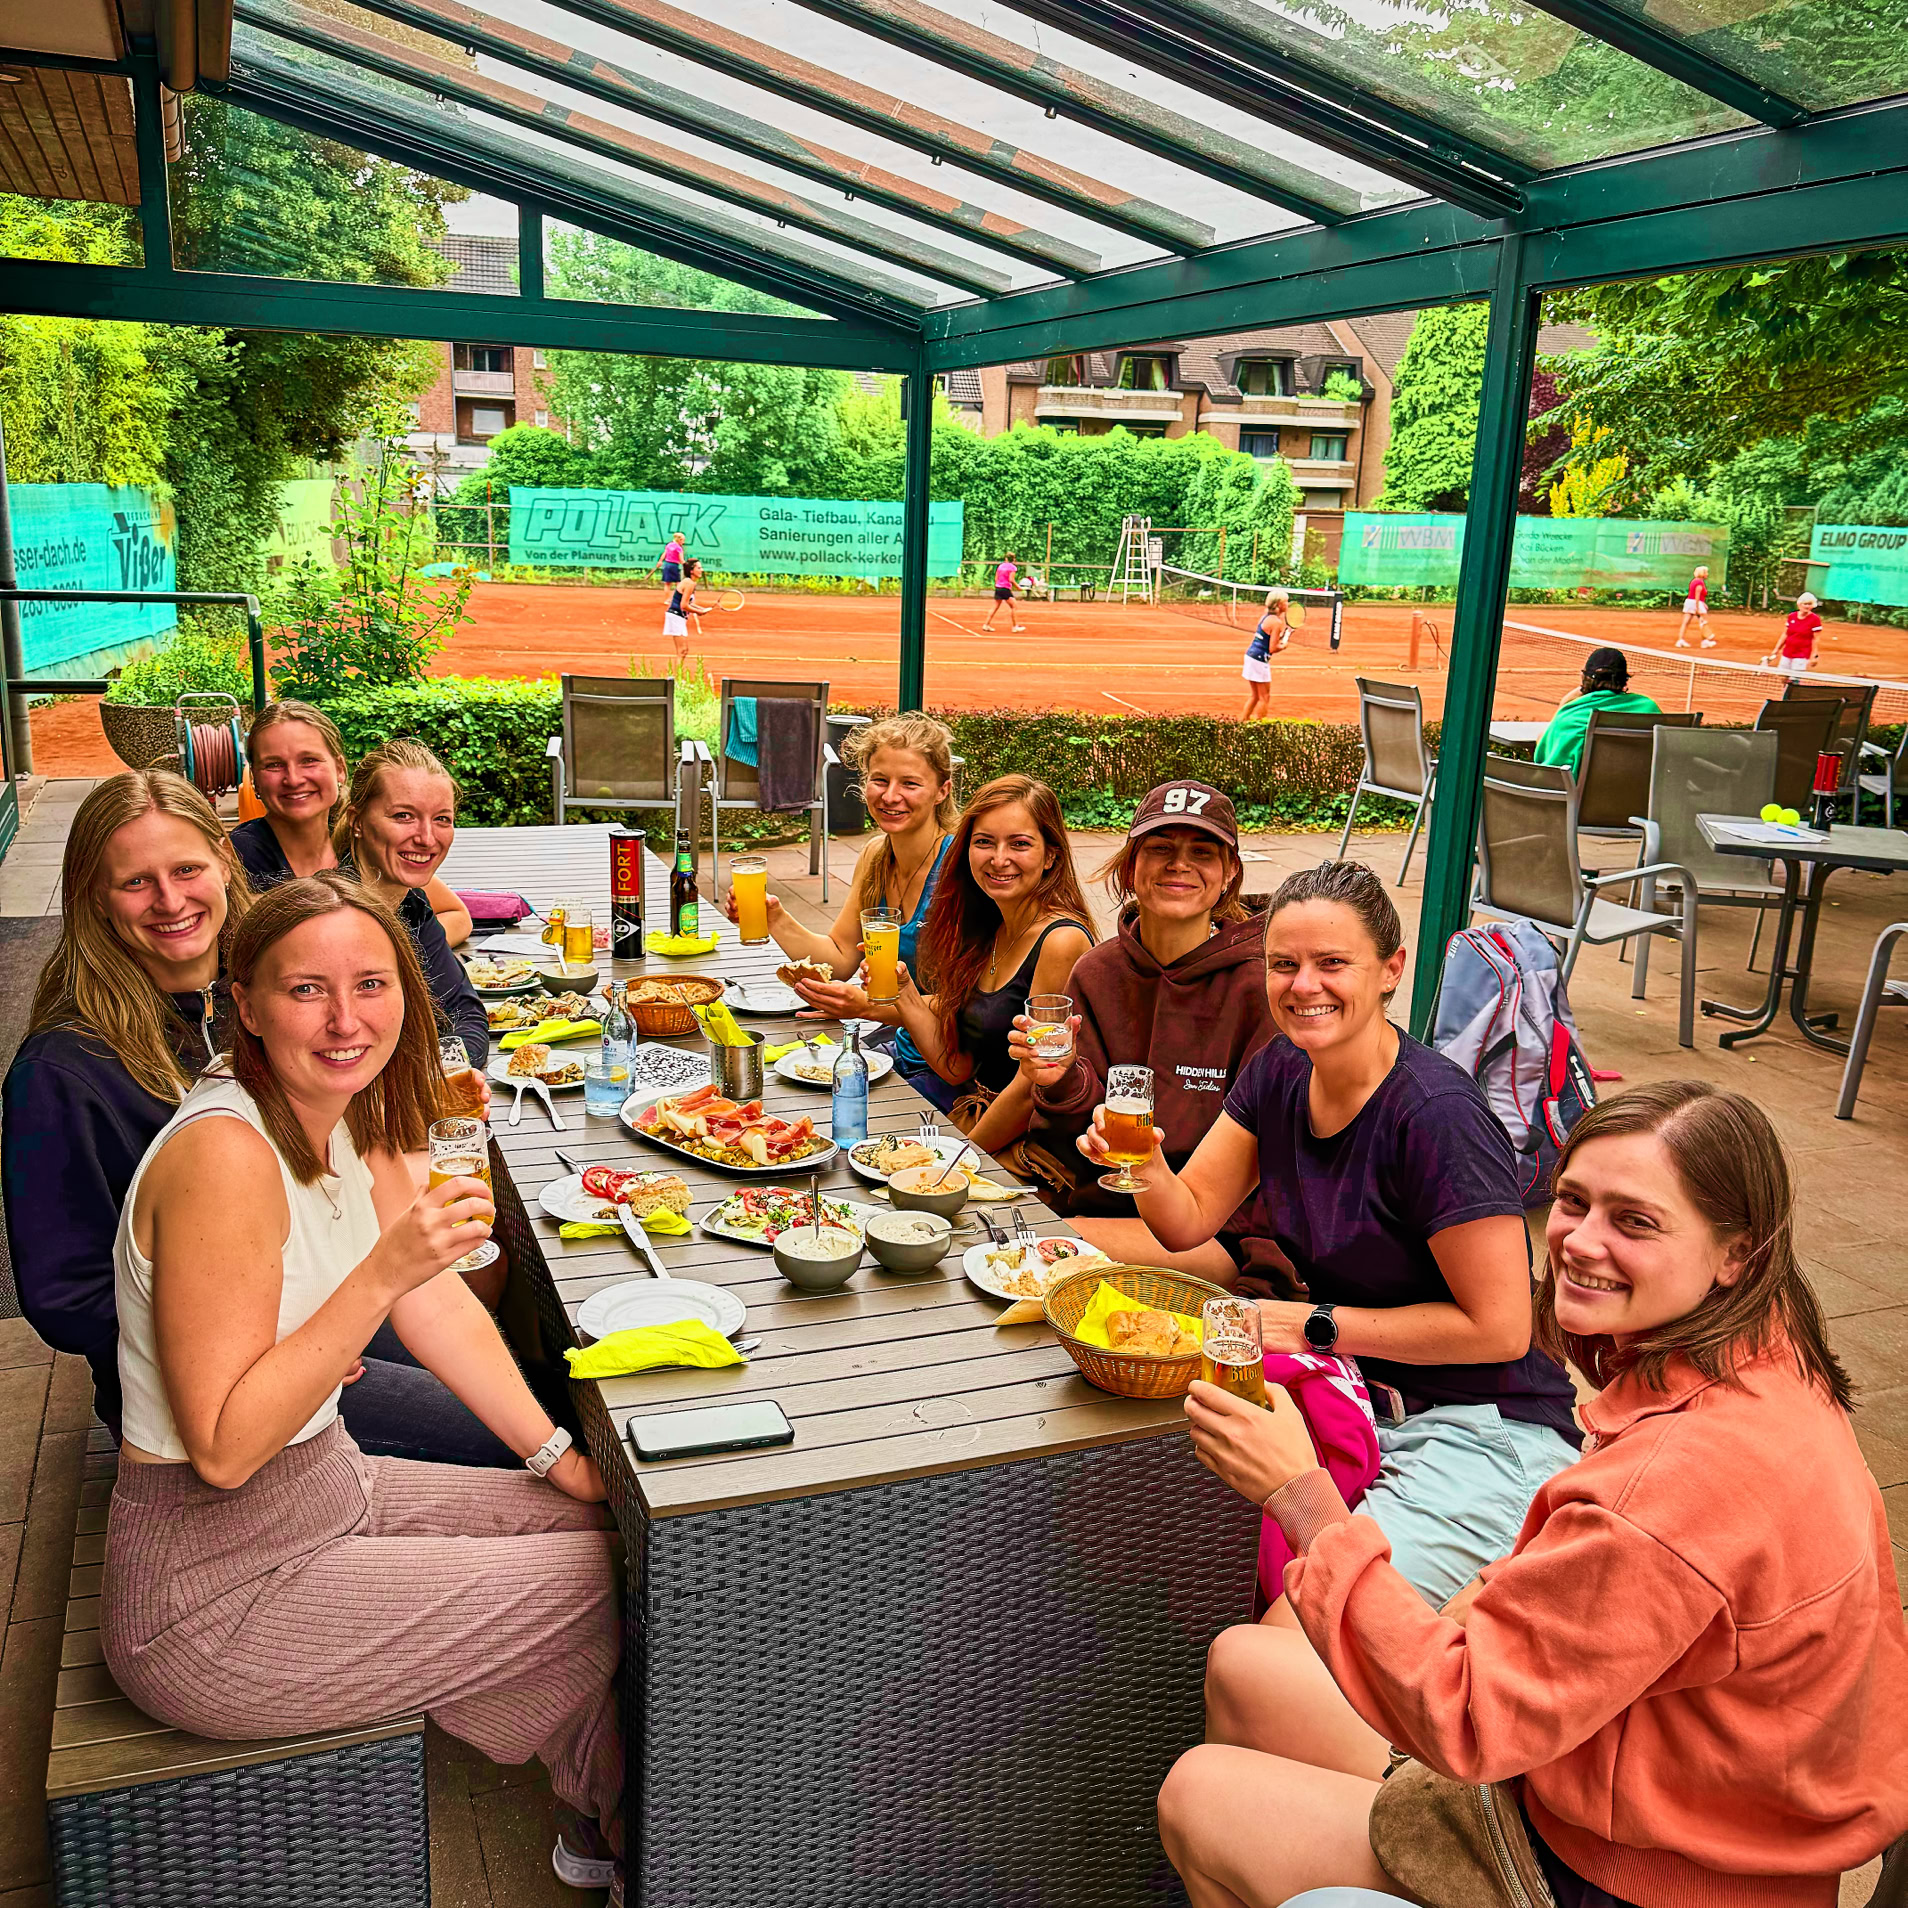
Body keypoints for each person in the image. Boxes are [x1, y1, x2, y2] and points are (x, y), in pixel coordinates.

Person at [1159, 1081, 1908, 1907]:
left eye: (1635, 1222)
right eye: (1573, 1202)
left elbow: (1468, 1719)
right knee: (1243, 1661)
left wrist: (1301, 1497)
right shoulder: (1767, 1365)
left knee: (1200, 1795)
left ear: (1738, 1254)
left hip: (1638, 1874)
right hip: (1648, 1792)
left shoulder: (1673, 1486)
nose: (1581, 1243)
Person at [101, 874, 629, 1897]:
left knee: (600, 1527)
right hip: (208, 1594)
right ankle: (640, 1840)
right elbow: (224, 1449)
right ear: (247, 1004)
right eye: (308, 990)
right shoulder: (225, 1156)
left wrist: (558, 1458)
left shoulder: (348, 1107)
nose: (347, 1021)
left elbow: (435, 1306)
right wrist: (377, 1277)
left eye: (371, 984)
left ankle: (606, 1818)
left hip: (330, 1490)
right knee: (597, 1580)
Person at [1080, 859, 1580, 1606]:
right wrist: (1146, 1166)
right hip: (1356, 1403)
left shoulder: (1436, 1115)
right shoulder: (1282, 1068)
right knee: (1146, 1513)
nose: (1303, 985)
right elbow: (1189, 1220)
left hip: (1479, 1429)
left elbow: (1502, 1329)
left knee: (1292, 1636)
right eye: (1284, 964)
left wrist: (1311, 1325)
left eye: (1332, 963)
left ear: (1391, 970)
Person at [2, 772, 514, 1468]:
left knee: (514, 1375)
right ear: (94, 896)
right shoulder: (62, 1070)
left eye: (186, 869)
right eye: (136, 882)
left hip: (327, 1306)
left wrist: (409, 1104)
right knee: (495, 1439)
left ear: (223, 860)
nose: (171, 901)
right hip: (201, 1393)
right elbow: (65, 1299)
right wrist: (286, 1343)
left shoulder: (269, 984)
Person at [1007, 781, 1282, 1287]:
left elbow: (1265, 1160)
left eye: (1202, 852)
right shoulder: (1096, 971)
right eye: (1160, 848)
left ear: (1230, 874)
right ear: (1131, 866)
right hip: (1102, 1202)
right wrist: (1061, 1079)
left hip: (1215, 1231)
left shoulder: (1260, 987)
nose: (1179, 865)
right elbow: (1075, 1129)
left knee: (1027, 1253)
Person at [725, 713, 957, 1083]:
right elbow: (839, 959)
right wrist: (775, 918)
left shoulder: (960, 867)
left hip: (949, 1061)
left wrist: (868, 1007)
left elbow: (973, 1004)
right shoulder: (876, 856)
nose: (890, 796)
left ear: (942, 790)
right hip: (899, 1045)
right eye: (879, 780)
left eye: (910, 783)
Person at [877, 775, 1092, 1153]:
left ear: (1051, 856)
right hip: (976, 1117)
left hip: (1031, 1145)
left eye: (1019, 844)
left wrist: (959, 1161)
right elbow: (957, 1068)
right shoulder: (988, 925)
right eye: (984, 842)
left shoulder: (1061, 940)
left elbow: (1031, 1087)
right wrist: (905, 992)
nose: (999, 859)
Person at [231, 699, 471, 945]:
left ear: (340, 769)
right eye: (274, 765)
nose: (293, 779)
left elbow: (456, 914)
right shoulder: (239, 857)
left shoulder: (362, 838)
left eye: (309, 760)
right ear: (254, 780)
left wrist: (400, 956)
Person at [333, 739, 489, 1070]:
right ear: (357, 821)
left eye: (442, 819)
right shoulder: (330, 917)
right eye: (404, 816)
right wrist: (435, 1077)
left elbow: (464, 1011)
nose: (426, 838)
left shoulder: (410, 904)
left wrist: (447, 1074)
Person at [1534, 646, 1661, 775]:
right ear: (1624, 680)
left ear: (1584, 677)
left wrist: (1564, 704)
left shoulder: (1569, 719)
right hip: (1640, 786)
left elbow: (1547, 762)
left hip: (1584, 788)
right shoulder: (1649, 708)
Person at [1241, 590, 1289, 721]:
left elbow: (1268, 639)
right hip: (1259, 660)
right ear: (1279, 604)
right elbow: (1272, 648)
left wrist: (1282, 638)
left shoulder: (1265, 617)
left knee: (1255, 695)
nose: (1288, 604)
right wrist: (1283, 646)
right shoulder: (1276, 622)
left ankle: (1243, 722)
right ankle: (1260, 726)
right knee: (1264, 697)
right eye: (1286, 602)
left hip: (1251, 656)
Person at [1767, 591, 1823, 677]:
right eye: (1805, 604)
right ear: (1799, 604)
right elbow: (1785, 634)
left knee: (1794, 679)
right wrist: (1777, 649)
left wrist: (1814, 656)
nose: (1807, 606)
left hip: (1802, 654)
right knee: (1782, 676)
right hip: (1787, 652)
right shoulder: (1792, 616)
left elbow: (1816, 639)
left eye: (1809, 604)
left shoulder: (1815, 619)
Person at [664, 558, 704, 662]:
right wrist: (698, 612)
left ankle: (678, 672)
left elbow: (689, 603)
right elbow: (684, 605)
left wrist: (701, 609)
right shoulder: (689, 583)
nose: (702, 570)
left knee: (684, 651)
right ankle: (677, 673)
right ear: (691, 571)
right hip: (676, 616)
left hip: (679, 617)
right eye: (699, 568)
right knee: (682, 651)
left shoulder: (690, 582)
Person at [982, 552, 1024, 633]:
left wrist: (998, 585)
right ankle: (1015, 627)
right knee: (1014, 606)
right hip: (1005, 589)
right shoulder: (1013, 567)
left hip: (998, 588)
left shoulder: (1000, 566)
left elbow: (996, 578)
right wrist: (1018, 587)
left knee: (995, 607)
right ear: (1013, 559)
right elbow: (1011, 579)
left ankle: (986, 625)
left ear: (1006, 558)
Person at [1676, 563, 1715, 648]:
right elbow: (1697, 595)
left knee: (1685, 623)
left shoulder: (1694, 581)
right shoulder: (1699, 582)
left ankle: (1680, 640)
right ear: (1702, 573)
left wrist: (1703, 603)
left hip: (1690, 602)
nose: (1707, 574)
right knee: (1703, 622)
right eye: (1706, 572)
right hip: (1696, 603)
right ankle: (1704, 642)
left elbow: (1695, 595)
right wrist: (1697, 608)